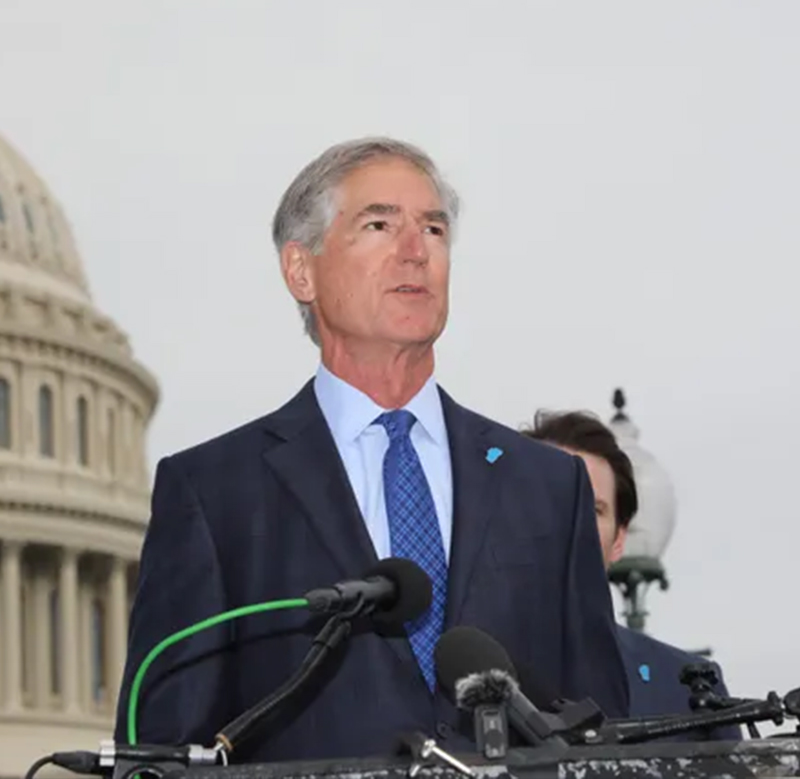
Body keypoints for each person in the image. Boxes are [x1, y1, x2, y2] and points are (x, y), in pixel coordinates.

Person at [115, 137, 629, 763]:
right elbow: (165, 751)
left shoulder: (549, 487)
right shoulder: (214, 493)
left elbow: (605, 740)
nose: (415, 252)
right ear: (301, 270)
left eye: (434, 230)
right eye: (380, 224)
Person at [522, 410, 740, 740]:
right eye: (552, 500)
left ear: (619, 539)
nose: (572, 522)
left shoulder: (688, 689)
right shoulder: (443, 679)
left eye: (592, 509)